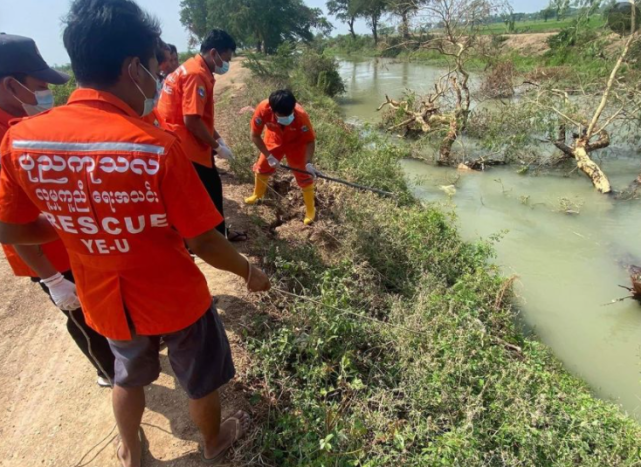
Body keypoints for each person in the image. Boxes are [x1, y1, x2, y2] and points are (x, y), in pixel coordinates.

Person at [0, 2, 271, 467]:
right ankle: (214, 442)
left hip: (104, 294)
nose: (157, 77)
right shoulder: (153, 148)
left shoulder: (22, 140)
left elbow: (7, 225)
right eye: (152, 66)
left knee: (128, 376)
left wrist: (69, 225)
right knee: (201, 377)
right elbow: (203, 241)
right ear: (132, 66)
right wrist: (248, 272)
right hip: (172, 296)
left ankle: (131, 450)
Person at [0, 32, 115, 387]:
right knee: (82, 315)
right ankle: (109, 374)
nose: (45, 94)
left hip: (75, 239)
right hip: (47, 253)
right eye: (39, 85)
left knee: (104, 303)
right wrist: (51, 279)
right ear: (10, 85)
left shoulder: (27, 121)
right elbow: (8, 224)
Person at [157, 29, 247, 242]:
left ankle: (214, 236)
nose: (227, 63)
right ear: (214, 53)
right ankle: (215, 241)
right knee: (210, 191)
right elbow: (192, 121)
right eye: (226, 58)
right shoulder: (195, 75)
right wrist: (216, 147)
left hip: (179, 142)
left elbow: (201, 115)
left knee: (206, 190)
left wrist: (218, 138)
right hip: (185, 146)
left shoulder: (192, 68)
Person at [245, 89, 320, 225]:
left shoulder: (301, 116)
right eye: (282, 115)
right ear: (273, 110)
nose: (287, 117)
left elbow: (310, 141)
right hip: (273, 139)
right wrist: (268, 156)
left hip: (296, 144)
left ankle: (310, 210)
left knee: (304, 175)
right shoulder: (263, 109)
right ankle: (257, 195)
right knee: (262, 167)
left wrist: (308, 163)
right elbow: (254, 135)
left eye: (289, 114)